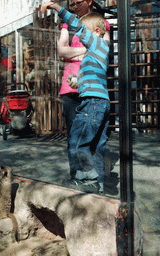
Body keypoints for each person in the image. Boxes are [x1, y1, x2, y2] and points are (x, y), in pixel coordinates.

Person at [41, 2, 110, 193]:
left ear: (96, 31)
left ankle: (87, 178)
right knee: (97, 142)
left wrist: (55, 7)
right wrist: (77, 82)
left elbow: (75, 24)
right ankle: (98, 183)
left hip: (92, 103)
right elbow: (93, 77)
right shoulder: (97, 52)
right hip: (100, 101)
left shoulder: (96, 43)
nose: (80, 38)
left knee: (78, 141)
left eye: (84, 34)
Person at [57, 0, 110, 138]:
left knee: (93, 135)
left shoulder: (100, 22)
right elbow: (62, 51)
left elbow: (104, 48)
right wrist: (90, 50)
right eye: (72, 4)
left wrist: (74, 54)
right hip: (71, 85)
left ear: (89, 2)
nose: (75, 6)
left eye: (78, 2)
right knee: (73, 133)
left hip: (92, 86)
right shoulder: (68, 24)